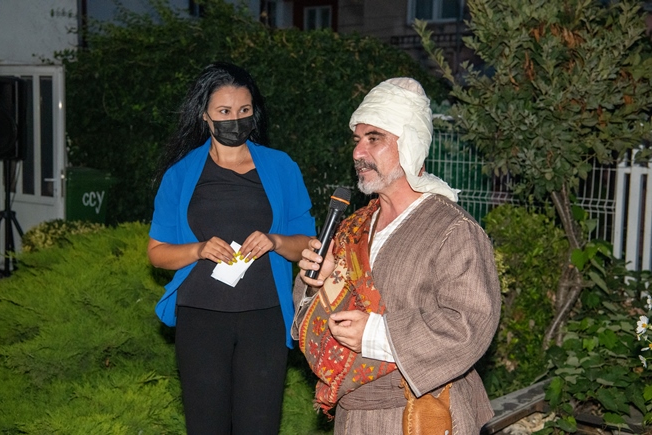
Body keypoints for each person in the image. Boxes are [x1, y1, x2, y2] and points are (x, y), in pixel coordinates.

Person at [292, 77, 501, 434]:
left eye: (374, 138)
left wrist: (376, 333)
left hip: (418, 415)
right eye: (357, 140)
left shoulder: (452, 230)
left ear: (410, 144)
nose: (358, 152)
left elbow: (469, 324)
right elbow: (310, 317)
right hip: (353, 416)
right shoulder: (352, 227)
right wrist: (319, 284)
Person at [148, 61, 316, 434]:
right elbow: (157, 252)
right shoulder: (181, 174)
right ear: (204, 116)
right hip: (200, 318)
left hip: (265, 318)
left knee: (260, 425)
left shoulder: (282, 167)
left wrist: (275, 241)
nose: (235, 120)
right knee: (206, 425)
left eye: (244, 110)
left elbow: (308, 244)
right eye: (224, 111)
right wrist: (198, 250)